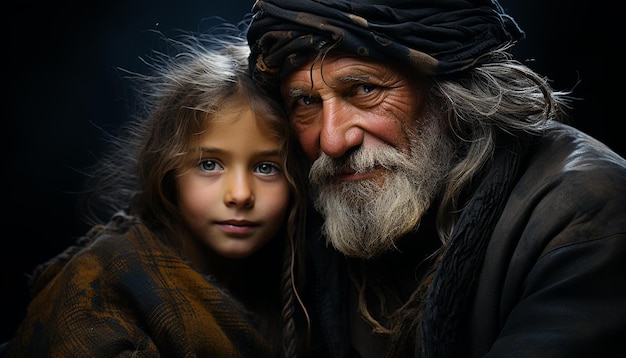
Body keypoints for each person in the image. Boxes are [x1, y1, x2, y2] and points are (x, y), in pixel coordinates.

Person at [246, 0, 626, 357]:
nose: (331, 141)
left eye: (365, 89)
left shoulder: (589, 211)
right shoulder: (288, 208)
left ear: (453, 91)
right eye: (306, 102)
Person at [2, 22, 311, 358]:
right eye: (209, 164)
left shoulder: (294, 290)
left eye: (267, 168)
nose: (239, 194)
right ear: (168, 169)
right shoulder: (105, 285)